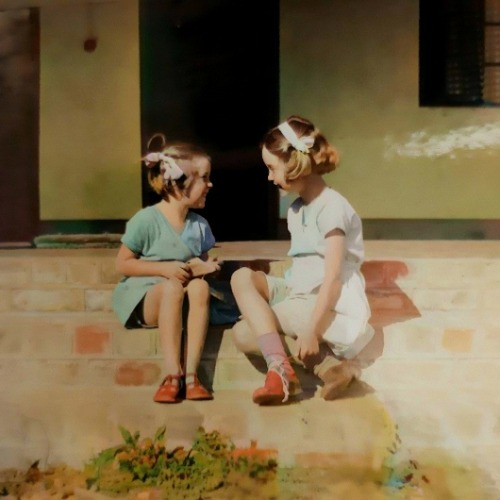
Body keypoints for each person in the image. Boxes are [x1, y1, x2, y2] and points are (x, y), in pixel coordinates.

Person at [230, 115, 374, 405]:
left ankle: (284, 373)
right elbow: (303, 267)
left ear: (294, 163)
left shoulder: (332, 207)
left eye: (272, 168)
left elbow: (333, 278)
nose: (269, 177)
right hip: (300, 293)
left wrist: (311, 331)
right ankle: (328, 369)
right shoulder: (297, 210)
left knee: (247, 330)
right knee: (241, 281)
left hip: (329, 301)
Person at [112, 134, 220, 404]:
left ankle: (192, 375)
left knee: (200, 287)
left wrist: (205, 267)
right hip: (150, 296)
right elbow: (122, 263)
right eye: (204, 178)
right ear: (178, 183)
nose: (210, 184)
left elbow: (204, 262)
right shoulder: (146, 220)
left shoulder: (199, 225)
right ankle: (173, 373)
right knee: (172, 288)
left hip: (184, 298)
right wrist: (165, 269)